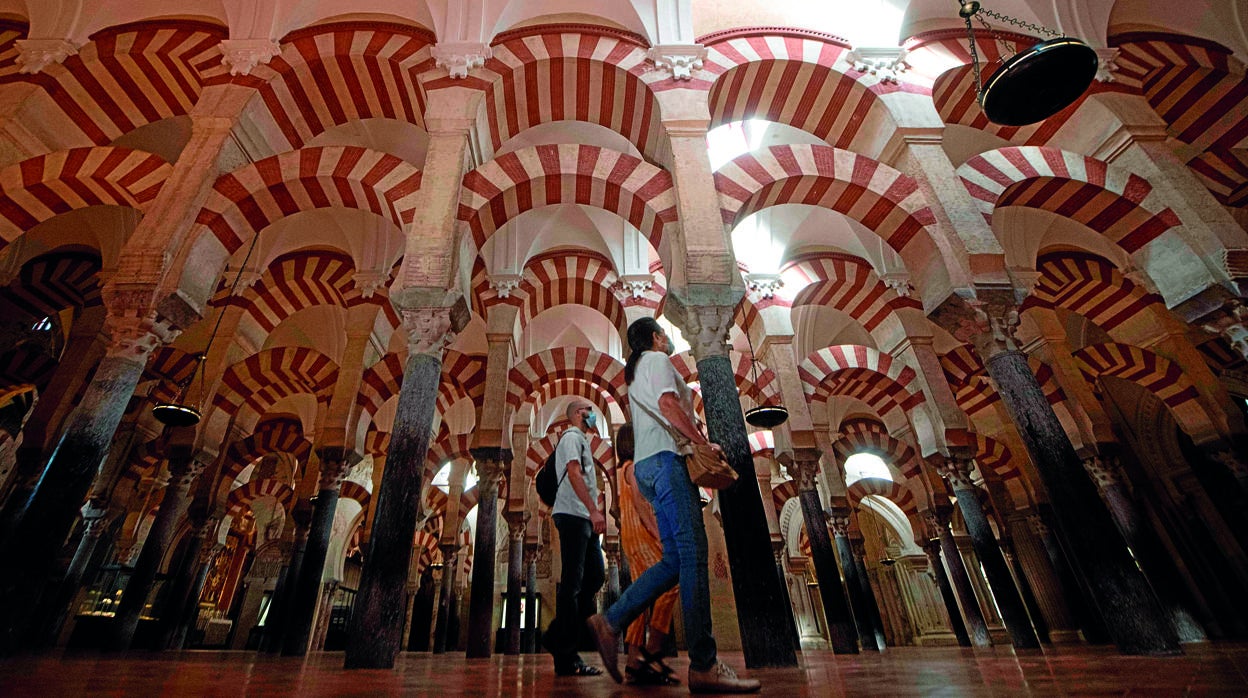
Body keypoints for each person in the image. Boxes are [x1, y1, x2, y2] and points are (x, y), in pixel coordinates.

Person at [587, 317, 761, 694]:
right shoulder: (657, 360)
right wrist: (701, 440)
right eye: (664, 335)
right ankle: (704, 664)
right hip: (667, 463)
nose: (667, 340)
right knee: (695, 554)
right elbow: (668, 403)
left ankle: (611, 620)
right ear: (654, 337)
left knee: (674, 561)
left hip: (649, 467)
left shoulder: (635, 375)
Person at [543, 400, 606, 677]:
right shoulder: (571, 436)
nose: (591, 414)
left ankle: (556, 635)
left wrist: (595, 508)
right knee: (573, 582)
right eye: (586, 410)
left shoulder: (583, 441)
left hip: (584, 517)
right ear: (577, 415)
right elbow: (572, 471)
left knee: (594, 577)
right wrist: (593, 511)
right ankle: (566, 656)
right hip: (573, 514)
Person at [616, 422, 680, 686]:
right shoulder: (632, 468)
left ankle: (634, 660)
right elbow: (642, 504)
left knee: (642, 596)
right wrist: (657, 532)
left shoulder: (623, 469)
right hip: (642, 535)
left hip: (632, 536)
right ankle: (652, 649)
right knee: (670, 582)